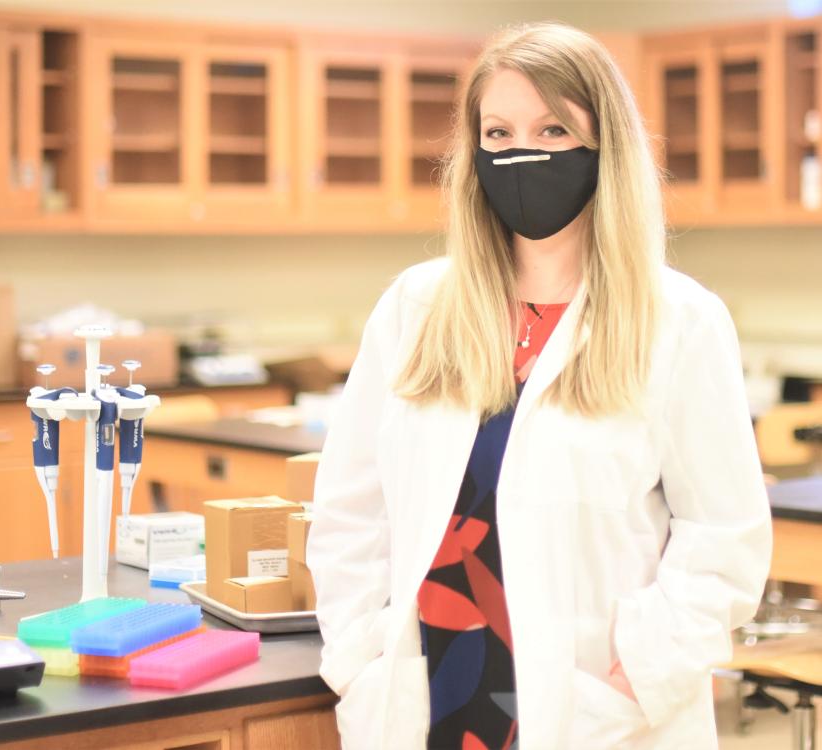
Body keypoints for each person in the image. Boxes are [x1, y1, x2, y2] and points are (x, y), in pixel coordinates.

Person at [304, 21, 773, 750]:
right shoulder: (415, 307)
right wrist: (360, 657)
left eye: (554, 130)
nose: (522, 153)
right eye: (499, 132)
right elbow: (350, 513)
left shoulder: (680, 322)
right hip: (426, 697)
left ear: (604, 147)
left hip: (595, 713)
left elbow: (725, 541)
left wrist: (636, 679)